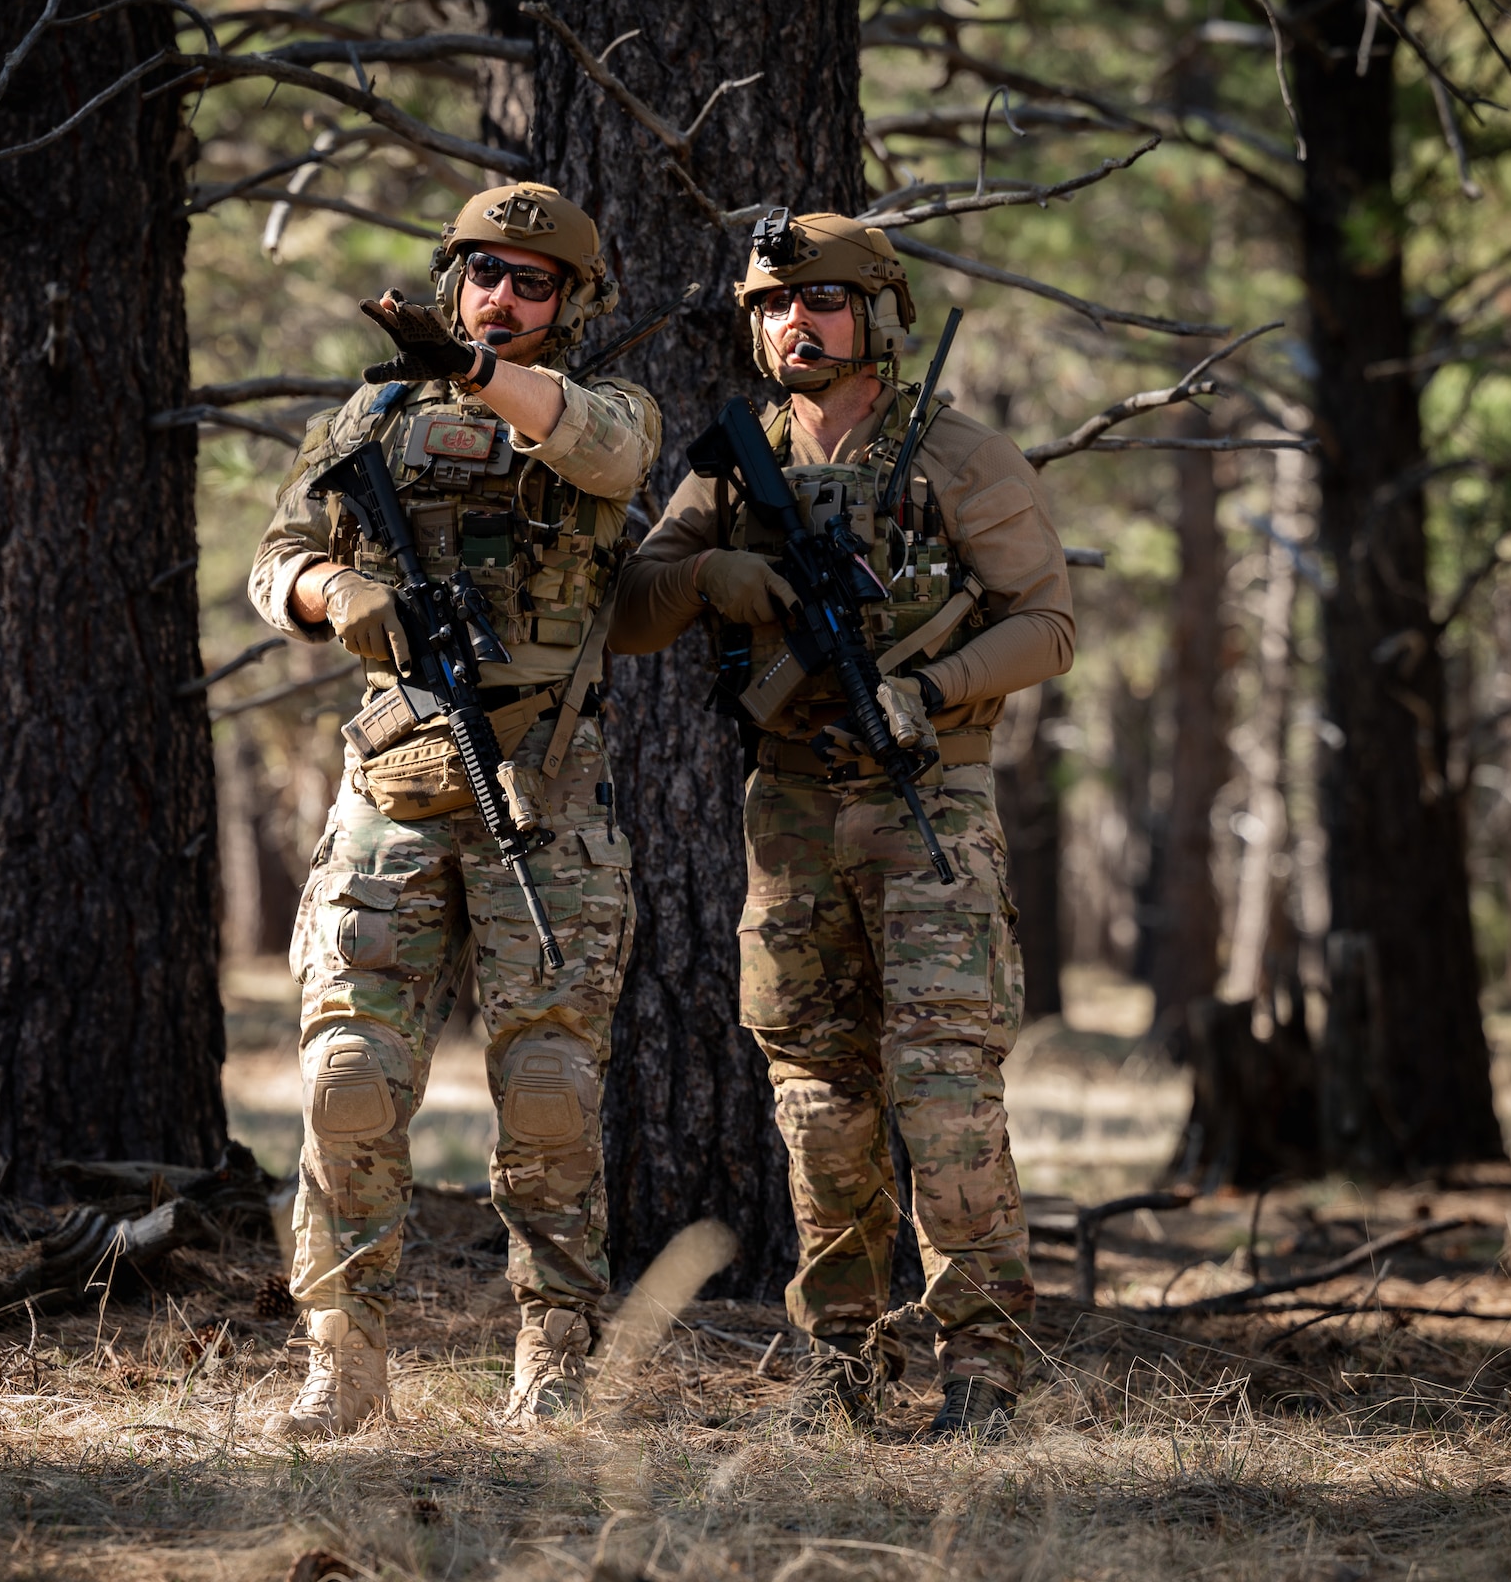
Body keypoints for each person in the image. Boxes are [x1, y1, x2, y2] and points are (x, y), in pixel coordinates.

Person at [609, 210, 1073, 1440]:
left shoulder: (961, 457)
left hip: (927, 815)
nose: (790, 323)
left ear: (877, 313)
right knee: (817, 1104)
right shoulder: (727, 461)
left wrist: (926, 691)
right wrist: (710, 575)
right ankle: (843, 1373)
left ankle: (985, 1377)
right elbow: (634, 610)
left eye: (816, 300)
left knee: (943, 1095)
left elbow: (1047, 624)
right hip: (791, 814)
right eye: (769, 304)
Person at [248, 183, 662, 1438]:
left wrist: (479, 374)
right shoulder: (370, 414)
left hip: (545, 797)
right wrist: (330, 592)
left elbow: (603, 455)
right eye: (482, 269)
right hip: (394, 790)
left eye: (532, 280)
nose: (502, 293)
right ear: (451, 275)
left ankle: (554, 1357)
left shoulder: (604, 411)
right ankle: (344, 1362)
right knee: (347, 1080)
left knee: (547, 1092)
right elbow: (273, 558)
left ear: (572, 302)